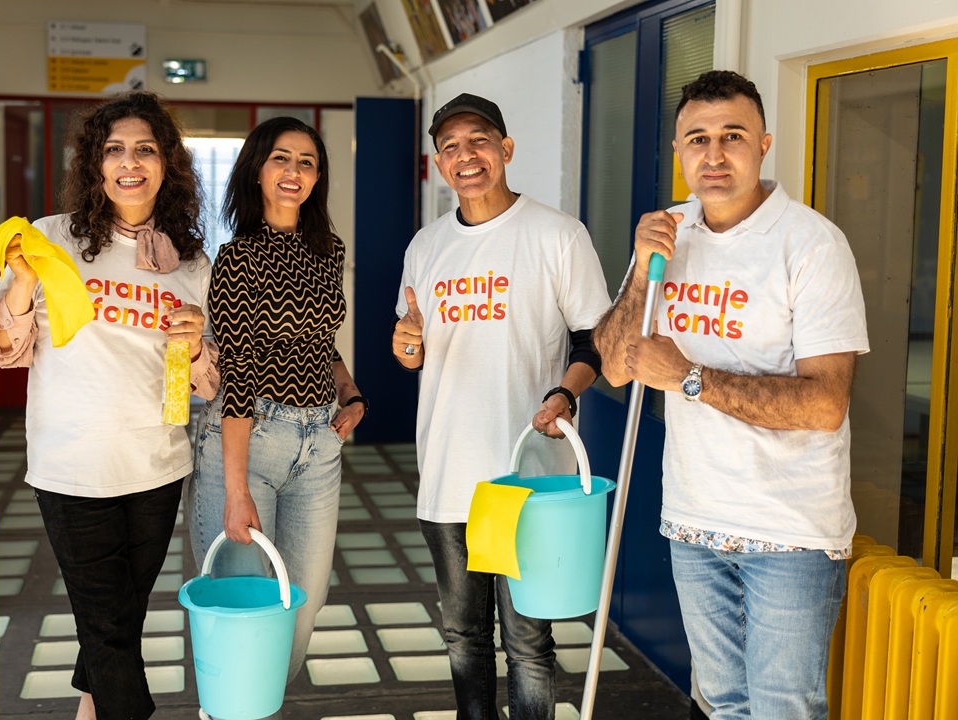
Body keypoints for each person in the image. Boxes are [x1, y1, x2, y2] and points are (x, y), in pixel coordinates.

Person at [593, 70, 869, 719]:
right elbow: (612, 367)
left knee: (781, 709)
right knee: (720, 704)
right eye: (697, 138)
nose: (713, 155)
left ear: (764, 143)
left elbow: (825, 405)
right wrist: (639, 272)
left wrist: (691, 376)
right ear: (678, 151)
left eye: (732, 136)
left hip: (791, 532)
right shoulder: (666, 237)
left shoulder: (811, 245)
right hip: (695, 517)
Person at [0, 91, 217, 720]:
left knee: (118, 619)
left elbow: (202, 386)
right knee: (111, 628)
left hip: (156, 464)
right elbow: (3, 351)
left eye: (145, 149)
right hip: (72, 464)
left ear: (167, 162)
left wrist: (196, 344)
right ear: (94, 164)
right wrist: (24, 285)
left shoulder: (187, 259)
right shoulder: (48, 239)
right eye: (113, 149)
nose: (129, 163)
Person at [392, 93, 611, 719]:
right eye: (451, 147)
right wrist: (404, 344)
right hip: (447, 470)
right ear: (439, 163)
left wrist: (565, 393)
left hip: (528, 475)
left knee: (528, 642)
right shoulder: (425, 246)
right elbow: (411, 345)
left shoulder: (557, 235)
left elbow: (593, 339)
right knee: (463, 636)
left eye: (479, 140)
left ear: (506, 149)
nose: (467, 156)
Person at [187, 116, 366, 719]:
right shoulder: (236, 260)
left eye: (308, 162)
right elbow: (237, 377)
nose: (294, 173)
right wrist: (236, 490)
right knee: (240, 606)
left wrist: (349, 391)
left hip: (319, 443)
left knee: (301, 603)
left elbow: (318, 342)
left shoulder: (328, 250)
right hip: (248, 441)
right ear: (257, 171)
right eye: (281, 160)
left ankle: (255, 705)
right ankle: (230, 708)